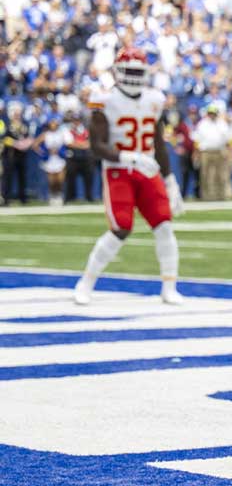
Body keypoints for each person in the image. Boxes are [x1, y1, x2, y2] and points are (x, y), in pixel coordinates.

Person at [72, 47, 185, 305]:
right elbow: (96, 146)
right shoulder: (104, 99)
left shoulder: (155, 99)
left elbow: (158, 142)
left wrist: (169, 180)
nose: (134, 76)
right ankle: (86, 283)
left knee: (164, 225)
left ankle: (169, 286)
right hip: (118, 170)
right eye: (129, 71)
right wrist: (129, 157)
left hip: (148, 170)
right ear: (118, 72)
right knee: (121, 227)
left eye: (138, 71)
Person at [193, 104, 229, 201]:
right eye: (210, 113)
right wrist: (196, 153)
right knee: (205, 174)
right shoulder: (202, 124)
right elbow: (197, 139)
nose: (212, 115)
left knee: (220, 174)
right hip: (205, 152)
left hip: (219, 151)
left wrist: (227, 151)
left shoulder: (222, 123)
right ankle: (206, 195)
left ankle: (220, 195)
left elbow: (227, 138)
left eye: (213, 113)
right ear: (207, 114)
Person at [35, 114, 69, 205]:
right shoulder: (45, 134)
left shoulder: (62, 133)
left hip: (59, 158)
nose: (53, 124)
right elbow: (35, 145)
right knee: (52, 181)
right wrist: (44, 153)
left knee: (60, 180)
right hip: (50, 159)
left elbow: (68, 144)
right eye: (52, 123)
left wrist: (61, 151)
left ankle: (59, 195)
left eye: (55, 123)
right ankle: (52, 195)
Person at [63, 111, 95, 202]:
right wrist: (82, 144)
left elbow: (90, 143)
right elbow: (69, 143)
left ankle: (89, 197)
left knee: (89, 178)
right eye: (74, 120)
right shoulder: (68, 130)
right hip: (73, 157)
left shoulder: (85, 129)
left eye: (77, 120)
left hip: (85, 157)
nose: (76, 122)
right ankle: (70, 197)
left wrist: (77, 143)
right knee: (70, 178)